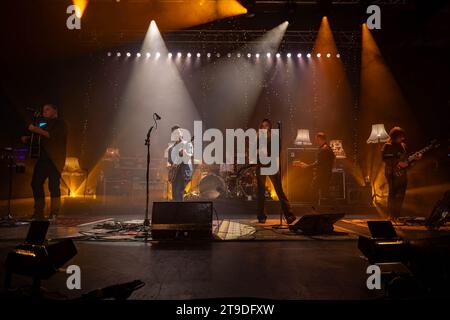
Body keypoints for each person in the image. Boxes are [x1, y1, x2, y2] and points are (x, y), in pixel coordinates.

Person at [21, 104, 67, 220]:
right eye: (43, 110)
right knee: (35, 183)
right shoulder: (45, 124)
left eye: (47, 109)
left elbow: (51, 136)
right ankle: (38, 212)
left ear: (55, 110)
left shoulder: (61, 123)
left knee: (53, 186)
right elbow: (41, 137)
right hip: (43, 158)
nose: (44, 112)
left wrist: (36, 129)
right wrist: (28, 138)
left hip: (55, 160)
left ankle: (54, 212)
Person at [256, 119, 296, 224]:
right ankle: (261, 216)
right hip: (260, 165)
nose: (265, 127)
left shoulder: (273, 137)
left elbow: (277, 150)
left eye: (267, 126)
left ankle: (289, 215)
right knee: (260, 191)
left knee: (279, 190)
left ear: (270, 127)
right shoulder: (258, 137)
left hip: (272, 164)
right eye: (263, 126)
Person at [381, 127, 420, 220]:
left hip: (403, 174)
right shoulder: (387, 146)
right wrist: (397, 163)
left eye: (403, 136)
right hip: (391, 173)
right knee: (392, 193)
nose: (403, 138)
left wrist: (415, 159)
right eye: (400, 136)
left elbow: (406, 161)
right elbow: (385, 158)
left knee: (401, 195)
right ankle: (390, 215)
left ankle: (396, 215)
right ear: (394, 136)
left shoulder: (403, 146)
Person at [298, 132, 335, 204]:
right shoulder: (327, 148)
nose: (315, 141)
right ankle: (334, 207)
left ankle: (315, 207)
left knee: (314, 189)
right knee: (325, 191)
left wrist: (307, 166)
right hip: (326, 174)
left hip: (322, 175)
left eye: (316, 139)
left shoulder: (324, 149)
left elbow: (319, 163)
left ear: (320, 139)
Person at [166, 125, 193, 201]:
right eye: (174, 133)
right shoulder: (171, 149)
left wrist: (184, 152)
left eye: (178, 132)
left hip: (184, 172)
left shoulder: (187, 144)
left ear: (181, 133)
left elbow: (189, 157)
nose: (176, 134)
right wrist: (170, 168)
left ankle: (181, 211)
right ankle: (176, 211)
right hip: (175, 174)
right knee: (174, 194)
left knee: (179, 192)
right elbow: (169, 162)